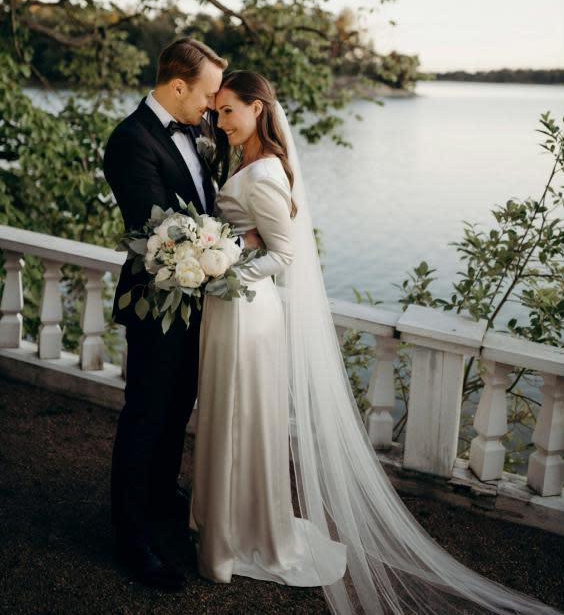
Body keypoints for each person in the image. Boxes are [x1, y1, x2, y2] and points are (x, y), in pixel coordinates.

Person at [189, 70, 562, 615]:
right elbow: (250, 236)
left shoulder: (264, 170)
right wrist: (221, 248)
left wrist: (223, 268)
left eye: (229, 111)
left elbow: (283, 256)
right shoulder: (244, 160)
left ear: (259, 109)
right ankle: (223, 521)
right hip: (232, 308)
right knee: (230, 414)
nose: (220, 122)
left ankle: (240, 534)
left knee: (244, 418)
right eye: (217, 112)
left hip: (246, 309)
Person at [103, 38, 261, 590]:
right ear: (177, 87)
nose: (213, 104)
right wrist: (231, 250)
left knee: (179, 409)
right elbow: (158, 229)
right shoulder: (130, 141)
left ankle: (160, 496)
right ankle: (130, 537)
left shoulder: (197, 134)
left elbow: (207, 203)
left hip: (199, 300)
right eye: (208, 93)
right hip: (155, 302)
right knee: (146, 414)